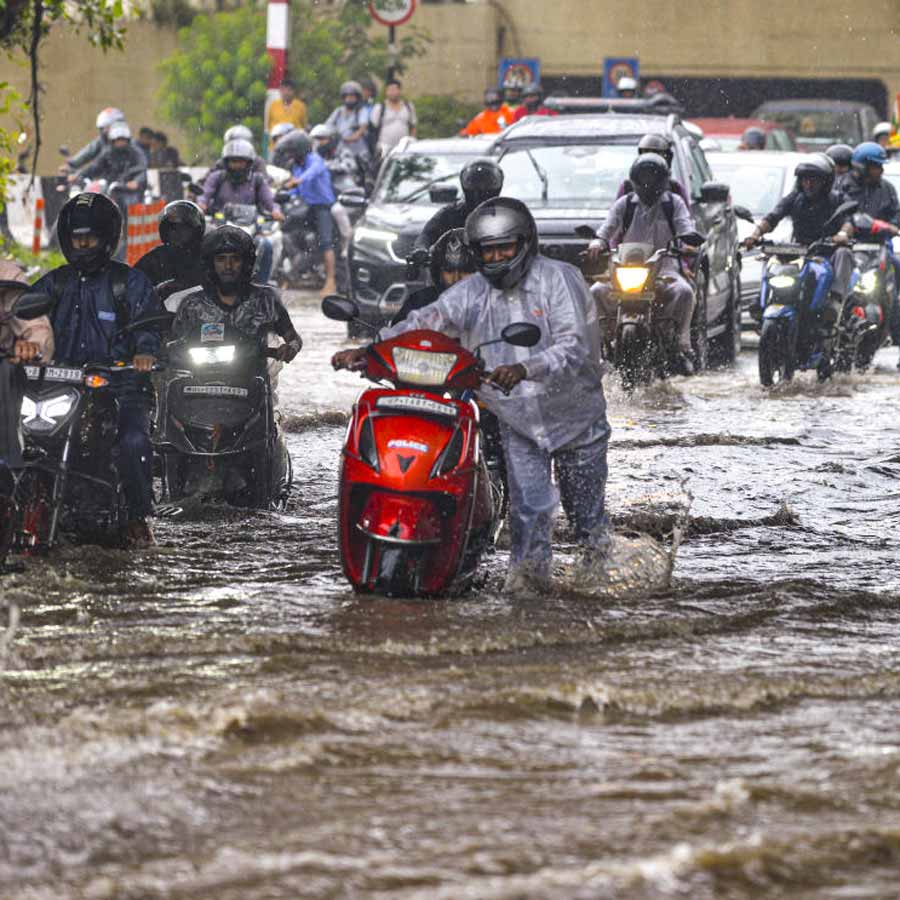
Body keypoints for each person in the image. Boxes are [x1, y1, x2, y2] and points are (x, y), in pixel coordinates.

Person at [334, 197, 610, 595]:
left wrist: (524, 368)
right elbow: (429, 320)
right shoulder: (473, 291)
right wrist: (371, 348)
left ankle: (600, 593)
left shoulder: (560, 280)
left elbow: (573, 346)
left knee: (586, 521)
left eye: (505, 248)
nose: (496, 257)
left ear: (525, 243)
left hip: (575, 419)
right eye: (488, 250)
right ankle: (529, 598)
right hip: (517, 418)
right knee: (529, 514)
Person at [32, 192, 162, 547]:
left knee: (133, 441)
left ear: (107, 238)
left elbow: (150, 327)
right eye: (77, 237)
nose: (84, 244)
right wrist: (22, 344)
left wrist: (145, 355)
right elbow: (23, 318)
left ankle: (137, 516)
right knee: (20, 436)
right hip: (61, 386)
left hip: (122, 386)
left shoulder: (129, 282)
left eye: (90, 237)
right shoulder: (53, 283)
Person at [590, 153, 698, 374]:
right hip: (626, 269)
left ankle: (681, 344)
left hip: (664, 268)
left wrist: (687, 241)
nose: (648, 183)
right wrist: (597, 242)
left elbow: (684, 226)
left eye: (653, 177)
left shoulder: (673, 204)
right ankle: (601, 343)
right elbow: (607, 228)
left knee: (685, 292)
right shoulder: (625, 203)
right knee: (596, 291)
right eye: (644, 177)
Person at [741, 153, 855, 353]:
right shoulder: (795, 199)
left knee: (844, 253)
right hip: (799, 251)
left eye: (814, 179)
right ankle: (762, 300)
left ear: (826, 181)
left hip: (826, 252)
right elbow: (773, 217)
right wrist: (755, 234)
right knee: (771, 261)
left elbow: (848, 221)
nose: (809, 183)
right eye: (805, 179)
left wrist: (842, 235)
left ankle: (834, 304)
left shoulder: (837, 199)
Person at [171, 225, 301, 366]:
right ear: (210, 264)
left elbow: (293, 338)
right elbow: (174, 345)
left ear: (246, 263)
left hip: (251, 378)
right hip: (196, 379)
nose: (228, 266)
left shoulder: (265, 300)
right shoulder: (192, 304)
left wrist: (290, 348)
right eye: (221, 259)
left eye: (235, 259)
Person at [839, 141, 900, 363]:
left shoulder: (887, 189)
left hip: (879, 250)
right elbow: (839, 215)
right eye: (876, 166)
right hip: (848, 249)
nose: (880, 171)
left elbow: (896, 217)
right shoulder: (843, 186)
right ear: (862, 166)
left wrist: (888, 227)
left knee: (895, 292)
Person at [200, 138, 284, 283]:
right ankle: (205, 281)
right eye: (233, 161)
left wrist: (275, 211)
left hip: (250, 228)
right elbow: (205, 195)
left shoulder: (257, 180)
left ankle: (261, 286)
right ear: (226, 162)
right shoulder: (217, 177)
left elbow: (269, 201)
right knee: (202, 246)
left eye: (241, 161)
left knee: (267, 246)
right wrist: (201, 205)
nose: (237, 165)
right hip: (221, 227)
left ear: (249, 163)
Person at [0, 261, 54, 470]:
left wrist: (32, 345)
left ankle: (7, 468)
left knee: (5, 372)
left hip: (3, 366)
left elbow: (35, 325)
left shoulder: (6, 274)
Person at [280, 131, 338, 296]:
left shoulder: (315, 160)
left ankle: (331, 281)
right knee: (290, 232)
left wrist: (298, 180)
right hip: (307, 207)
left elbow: (311, 174)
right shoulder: (297, 166)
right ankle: (288, 275)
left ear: (300, 150)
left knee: (326, 243)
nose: (290, 156)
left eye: (292, 152)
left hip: (323, 207)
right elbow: (297, 189)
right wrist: (283, 193)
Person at [412, 158, 504, 252]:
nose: (481, 188)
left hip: (500, 264)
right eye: (475, 182)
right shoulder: (451, 213)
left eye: (487, 183)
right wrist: (420, 250)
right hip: (458, 264)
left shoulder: (507, 212)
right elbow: (427, 234)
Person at [392, 228, 476, 324]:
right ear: (438, 272)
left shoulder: (494, 305)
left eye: (465, 271)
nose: (456, 279)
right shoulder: (419, 304)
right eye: (449, 271)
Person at [134, 200, 206, 308]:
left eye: (184, 229)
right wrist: (159, 290)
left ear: (196, 231)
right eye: (172, 229)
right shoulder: (154, 259)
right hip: (159, 318)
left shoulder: (208, 256)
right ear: (164, 232)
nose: (177, 233)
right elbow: (133, 291)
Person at [309, 123, 357, 254]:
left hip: (342, 193)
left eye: (322, 139)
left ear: (332, 139)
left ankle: (347, 242)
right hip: (323, 194)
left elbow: (350, 166)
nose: (319, 143)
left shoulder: (342, 151)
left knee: (337, 211)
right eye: (316, 139)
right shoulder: (314, 155)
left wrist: (327, 167)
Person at [615, 134, 691, 206]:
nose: (650, 157)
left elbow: (685, 217)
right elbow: (616, 216)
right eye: (646, 152)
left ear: (667, 158)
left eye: (656, 153)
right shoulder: (627, 187)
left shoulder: (675, 188)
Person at [60, 107, 126, 174]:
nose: (104, 131)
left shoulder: (131, 147)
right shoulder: (101, 142)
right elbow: (88, 155)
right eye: (102, 129)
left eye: (106, 127)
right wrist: (72, 164)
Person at [369, 79, 417, 158]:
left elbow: (413, 126)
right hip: (384, 148)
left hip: (404, 147)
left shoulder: (408, 106)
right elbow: (373, 128)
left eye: (394, 89)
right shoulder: (379, 108)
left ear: (399, 91)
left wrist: (412, 142)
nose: (392, 92)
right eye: (390, 90)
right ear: (386, 92)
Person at [326, 81, 371, 164]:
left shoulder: (361, 111)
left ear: (357, 97)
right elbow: (327, 126)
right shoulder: (338, 111)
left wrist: (348, 138)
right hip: (340, 151)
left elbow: (361, 129)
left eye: (352, 96)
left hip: (359, 153)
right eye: (346, 96)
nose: (349, 99)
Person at [266, 78, 308, 144]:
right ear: (280, 91)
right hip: (276, 145)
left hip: (294, 145)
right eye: (283, 90)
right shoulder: (274, 105)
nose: (286, 93)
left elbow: (303, 126)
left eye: (289, 90)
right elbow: (269, 125)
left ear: (293, 91)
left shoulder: (300, 106)